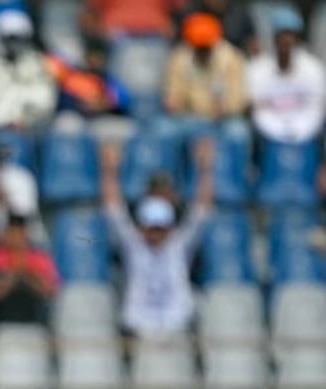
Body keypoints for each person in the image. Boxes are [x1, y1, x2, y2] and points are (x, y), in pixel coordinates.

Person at [99, 138, 215, 336]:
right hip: (139, 329)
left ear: (169, 227)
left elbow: (201, 211)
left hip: (177, 327)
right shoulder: (133, 244)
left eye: (160, 228)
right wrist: (109, 171)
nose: (155, 233)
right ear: (142, 226)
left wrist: (205, 169)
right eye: (151, 227)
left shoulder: (179, 244)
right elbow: (113, 210)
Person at [0, 10, 57, 129]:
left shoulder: (40, 66)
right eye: (9, 38)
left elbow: (45, 102)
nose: (13, 44)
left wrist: (22, 119)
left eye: (18, 38)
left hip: (30, 129)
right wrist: (1, 122)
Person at [247, 7, 326, 144]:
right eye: (281, 35)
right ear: (273, 37)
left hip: (305, 131)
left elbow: (315, 107)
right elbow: (258, 109)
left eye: (290, 35)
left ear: (297, 38)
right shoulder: (258, 68)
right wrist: (280, 131)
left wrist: (296, 130)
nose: (285, 41)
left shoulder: (313, 68)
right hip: (269, 132)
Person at [0, 215, 59, 333]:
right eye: (13, 233)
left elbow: (49, 294)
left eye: (20, 234)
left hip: (34, 325)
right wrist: (10, 278)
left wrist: (28, 276)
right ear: (5, 234)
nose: (17, 239)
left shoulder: (40, 259)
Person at [165, 12, 247, 121]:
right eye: (199, 47)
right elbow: (173, 95)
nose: (203, 51)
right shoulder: (180, 58)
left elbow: (239, 97)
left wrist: (226, 107)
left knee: (237, 131)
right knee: (164, 128)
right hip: (189, 116)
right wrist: (174, 103)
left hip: (222, 119)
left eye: (206, 47)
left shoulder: (231, 57)